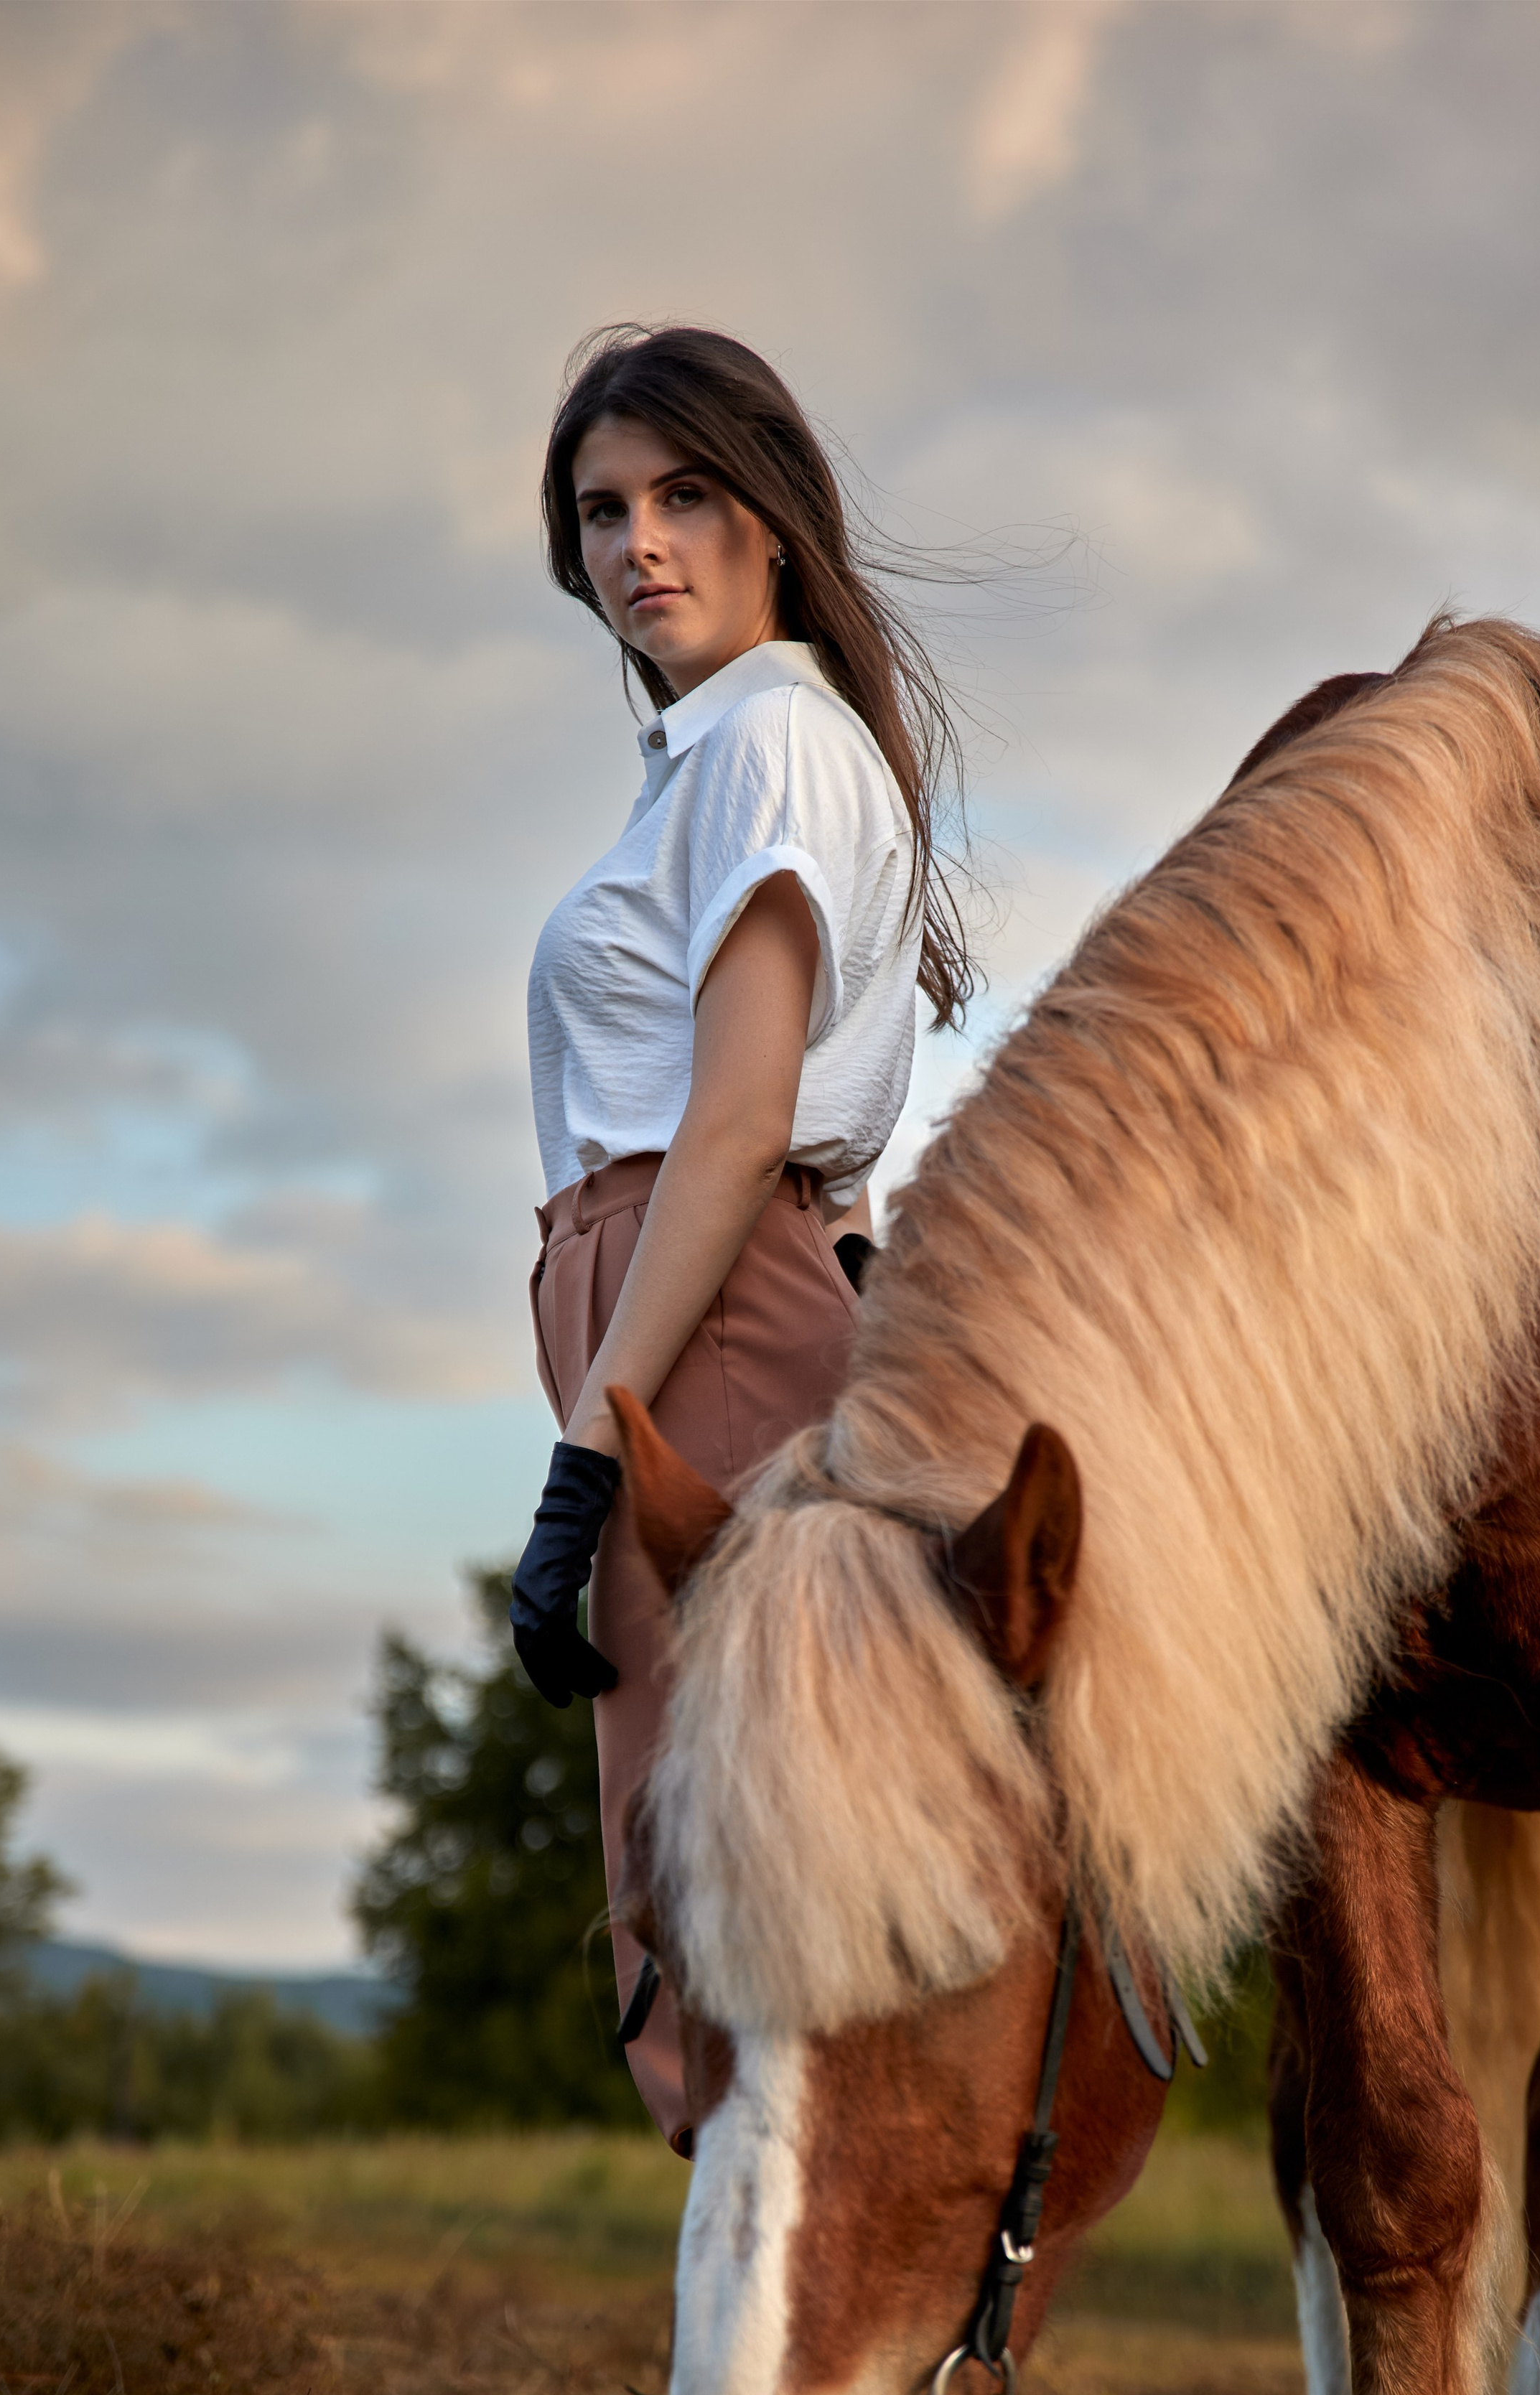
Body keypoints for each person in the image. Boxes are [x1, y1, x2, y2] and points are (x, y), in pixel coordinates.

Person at [514, 325, 972, 2150]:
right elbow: (831, 1158)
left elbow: (736, 1122)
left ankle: (780, 2376)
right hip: (706, 1305)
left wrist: (582, 1456)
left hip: (693, 1309)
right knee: (719, 1856)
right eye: (604, 511)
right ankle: (770, 2364)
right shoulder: (729, 758)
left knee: (719, 1883)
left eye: (686, 495)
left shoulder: (770, 742)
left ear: (771, 516)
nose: (642, 544)